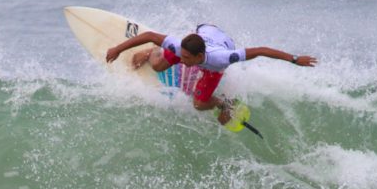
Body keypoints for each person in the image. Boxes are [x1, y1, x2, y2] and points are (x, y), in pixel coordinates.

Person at [106, 24, 317, 124]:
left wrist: (295, 59)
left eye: (188, 59)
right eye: (182, 56)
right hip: (206, 30)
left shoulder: (222, 59)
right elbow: (150, 35)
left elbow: (261, 50)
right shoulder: (181, 48)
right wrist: (118, 49)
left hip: (222, 42)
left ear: (200, 56)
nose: (183, 61)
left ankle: (224, 102)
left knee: (198, 105)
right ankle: (153, 53)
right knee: (160, 65)